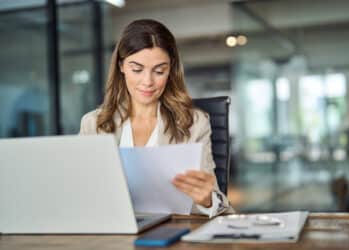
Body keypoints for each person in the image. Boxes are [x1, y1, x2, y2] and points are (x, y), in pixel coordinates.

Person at [79, 19, 233, 217]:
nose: (148, 81)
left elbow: (218, 204)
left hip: (171, 232)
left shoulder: (194, 123)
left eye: (159, 71)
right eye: (137, 69)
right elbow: (82, 194)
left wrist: (207, 199)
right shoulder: (93, 124)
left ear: (170, 70)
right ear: (121, 66)